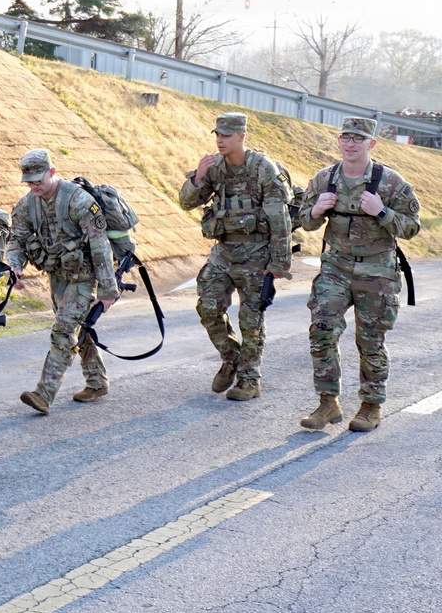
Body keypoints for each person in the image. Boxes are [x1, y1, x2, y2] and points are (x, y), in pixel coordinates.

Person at [297, 117, 420, 432]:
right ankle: (327, 403)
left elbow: (411, 227)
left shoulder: (391, 183)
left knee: (370, 339)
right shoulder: (324, 179)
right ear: (339, 141)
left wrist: (381, 211)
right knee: (322, 329)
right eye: (346, 138)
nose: (351, 144)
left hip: (377, 270)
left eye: (358, 139)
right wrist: (314, 211)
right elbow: (303, 222)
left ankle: (370, 405)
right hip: (336, 267)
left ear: (372, 144)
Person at [178, 113, 292, 401]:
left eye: (226, 135)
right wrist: (198, 177)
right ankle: (231, 357)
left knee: (250, 320)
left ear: (241, 136)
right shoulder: (215, 167)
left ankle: (249, 380)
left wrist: (278, 263)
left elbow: (280, 220)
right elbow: (187, 202)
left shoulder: (263, 168)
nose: (220, 140)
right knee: (208, 307)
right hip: (224, 252)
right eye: (217, 134)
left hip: (256, 255)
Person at [6, 149, 120, 414]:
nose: (34, 186)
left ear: (52, 172)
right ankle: (97, 381)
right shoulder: (27, 204)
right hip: (57, 277)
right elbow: (17, 239)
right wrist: (14, 265)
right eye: (29, 181)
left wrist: (107, 289)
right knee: (77, 327)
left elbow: (99, 245)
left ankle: (44, 394)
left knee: (63, 331)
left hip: (84, 277)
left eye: (38, 180)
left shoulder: (79, 200)